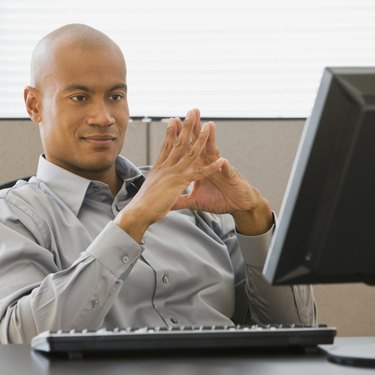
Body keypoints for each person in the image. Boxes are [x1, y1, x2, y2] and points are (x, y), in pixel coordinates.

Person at [0, 24, 315, 344]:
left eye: (115, 96)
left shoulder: (188, 195)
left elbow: (297, 331)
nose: (104, 117)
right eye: (80, 97)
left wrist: (254, 219)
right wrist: (132, 221)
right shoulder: (13, 217)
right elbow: (19, 341)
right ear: (34, 105)